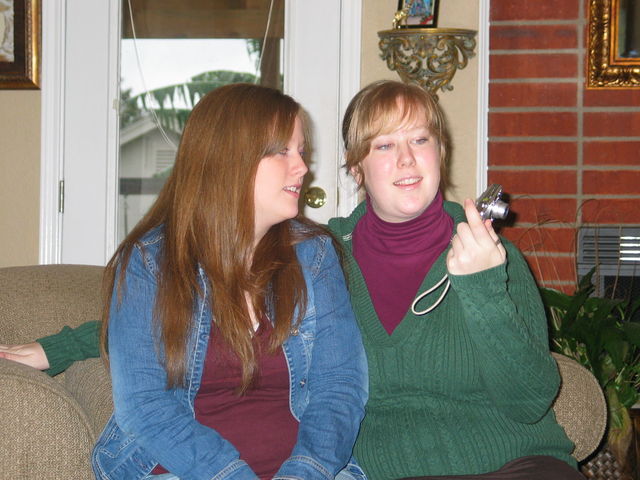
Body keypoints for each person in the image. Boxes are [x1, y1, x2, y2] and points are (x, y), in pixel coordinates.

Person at [1, 80, 582, 480]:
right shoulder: (327, 251)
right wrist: (60, 346)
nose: (406, 160)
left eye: (420, 140)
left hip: (496, 464)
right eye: (385, 145)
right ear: (358, 169)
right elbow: (155, 346)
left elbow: (527, 399)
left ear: (442, 153)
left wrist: (483, 287)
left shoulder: (329, 256)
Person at [0, 83, 369, 480]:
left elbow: (340, 387)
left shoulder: (314, 255)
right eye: (282, 151)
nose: (302, 167)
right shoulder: (148, 264)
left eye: (301, 151)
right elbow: (145, 407)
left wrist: (305, 472)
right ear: (229, 157)